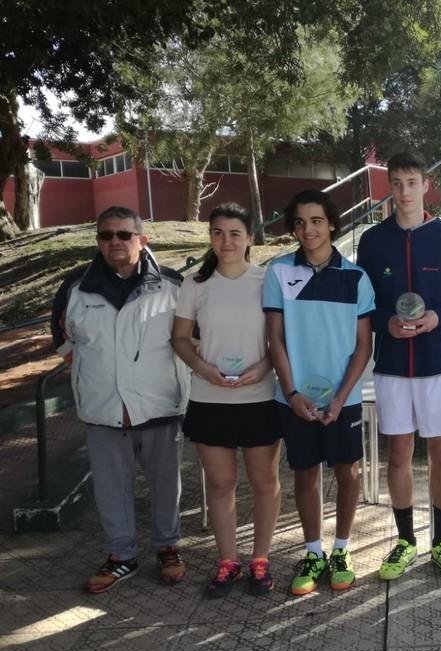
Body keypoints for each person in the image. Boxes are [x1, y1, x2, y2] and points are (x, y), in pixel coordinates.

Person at [51, 206, 189, 593]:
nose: (114, 241)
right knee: (111, 489)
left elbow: (191, 338)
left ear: (142, 239)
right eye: (105, 235)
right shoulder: (75, 287)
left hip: (160, 404)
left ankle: (168, 548)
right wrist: (99, 374)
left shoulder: (172, 285)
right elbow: (63, 340)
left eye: (124, 234)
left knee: (166, 484)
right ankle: (120, 555)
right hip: (103, 408)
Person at [356, 151, 441, 583]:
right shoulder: (373, 241)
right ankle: (405, 540)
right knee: (399, 454)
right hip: (391, 365)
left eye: (412, 182)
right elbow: (364, 303)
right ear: (390, 186)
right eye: (397, 183)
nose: (404, 191)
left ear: (426, 185)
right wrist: (386, 322)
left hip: (438, 364)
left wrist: (437, 318)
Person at [264, 190, 374, 595]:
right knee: (305, 472)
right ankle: (313, 552)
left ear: (331, 224)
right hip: (294, 399)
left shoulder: (357, 277)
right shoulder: (278, 271)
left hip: (343, 399)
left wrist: (341, 398)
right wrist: (291, 393)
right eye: (299, 222)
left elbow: (364, 346)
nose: (307, 229)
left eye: (316, 221)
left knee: (348, 471)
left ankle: (341, 551)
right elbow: (275, 339)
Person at [171, 203, 281, 598]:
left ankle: (260, 560)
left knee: (264, 483)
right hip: (209, 399)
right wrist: (203, 368)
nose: (226, 241)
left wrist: (265, 366)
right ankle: (227, 562)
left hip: (259, 398)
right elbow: (180, 339)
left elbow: (280, 339)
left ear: (250, 237)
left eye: (235, 233)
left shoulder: (268, 281)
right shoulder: (194, 284)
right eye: (218, 233)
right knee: (220, 485)